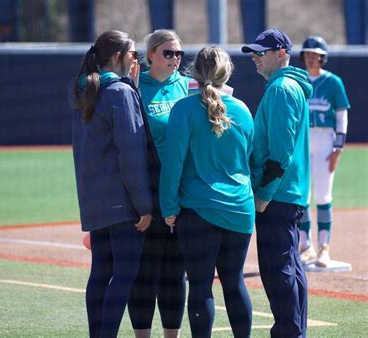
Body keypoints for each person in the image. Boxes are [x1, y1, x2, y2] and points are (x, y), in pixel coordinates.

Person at [160, 46, 254, 338]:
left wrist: (168, 208)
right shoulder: (242, 109)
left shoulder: (184, 109)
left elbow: (172, 164)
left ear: (194, 72)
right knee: (235, 281)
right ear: (227, 72)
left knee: (200, 285)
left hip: (198, 211)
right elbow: (250, 160)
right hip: (239, 209)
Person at [71, 30, 154, 338]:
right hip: (122, 203)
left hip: (94, 200)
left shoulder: (85, 90)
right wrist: (144, 205)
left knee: (100, 274)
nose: (137, 61)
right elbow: (131, 154)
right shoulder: (120, 92)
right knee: (124, 275)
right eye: (134, 55)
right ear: (119, 57)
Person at [241, 28, 313, 337]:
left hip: (278, 194)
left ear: (281, 53)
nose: (255, 58)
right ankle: (293, 330)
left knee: (277, 269)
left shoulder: (282, 89)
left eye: (261, 52)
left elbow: (280, 151)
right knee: (290, 267)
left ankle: (288, 332)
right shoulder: (286, 86)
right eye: (254, 53)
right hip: (289, 192)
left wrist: (264, 195)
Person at [127, 29, 197, 338]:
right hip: (148, 189)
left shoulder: (188, 86)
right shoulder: (135, 87)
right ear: (151, 55)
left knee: (174, 272)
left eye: (179, 53)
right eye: (168, 53)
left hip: (182, 190)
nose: (175, 59)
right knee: (145, 272)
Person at [298, 35, 350, 268]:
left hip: (325, 139)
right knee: (301, 195)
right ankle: (305, 246)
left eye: (315, 55)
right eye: (308, 54)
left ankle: (324, 248)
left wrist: (338, 148)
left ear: (322, 57)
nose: (311, 58)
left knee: (323, 195)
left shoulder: (333, 82)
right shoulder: (298, 81)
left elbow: (341, 116)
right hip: (303, 139)